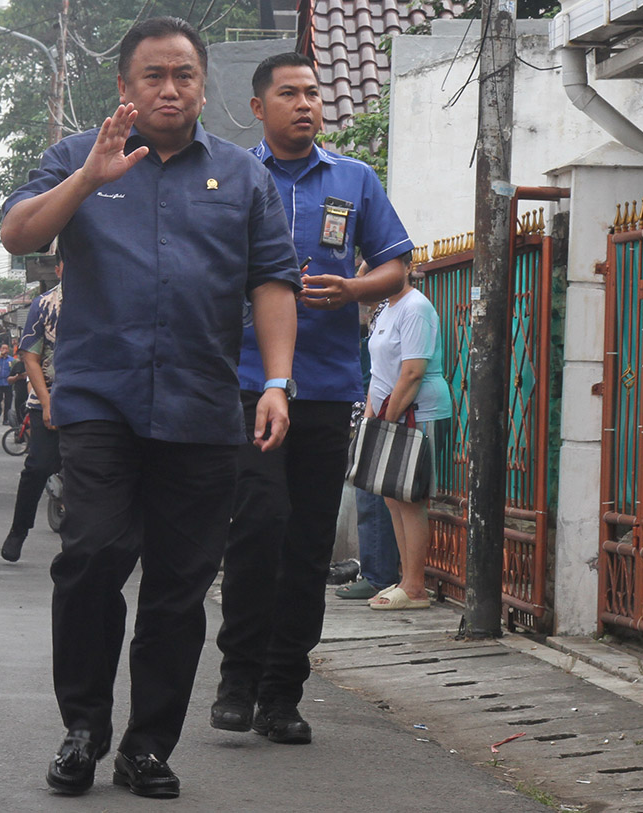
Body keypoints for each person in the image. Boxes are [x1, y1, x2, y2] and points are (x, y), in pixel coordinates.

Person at [1, 16, 301, 800]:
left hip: (203, 410)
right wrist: (87, 181)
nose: (170, 90)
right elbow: (16, 234)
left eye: (184, 76)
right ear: (125, 87)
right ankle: (83, 728)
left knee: (178, 583)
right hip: (100, 401)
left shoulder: (244, 177)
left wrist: (276, 381)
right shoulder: (77, 156)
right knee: (92, 556)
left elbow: (271, 281)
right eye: (153, 77)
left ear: (205, 86)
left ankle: (146, 744)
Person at [210, 51, 414, 745]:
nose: (306, 103)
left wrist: (355, 289)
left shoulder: (353, 179)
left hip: (327, 385)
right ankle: (237, 675)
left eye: (314, 92)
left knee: (306, 544)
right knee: (259, 522)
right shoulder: (230, 175)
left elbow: (397, 262)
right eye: (290, 94)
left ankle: (281, 692)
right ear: (258, 108)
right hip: (242, 383)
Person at [366, 267, 453, 610]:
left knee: (410, 498)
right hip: (393, 412)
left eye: (382, 268)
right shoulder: (386, 308)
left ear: (404, 268)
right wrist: (373, 418)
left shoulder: (415, 307)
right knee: (392, 495)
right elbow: (379, 371)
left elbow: (413, 371)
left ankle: (416, 586)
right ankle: (406, 580)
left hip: (418, 412)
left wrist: (387, 420)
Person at [336, 292, 401, 600]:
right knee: (366, 490)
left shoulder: (403, 311)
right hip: (367, 406)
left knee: (373, 492)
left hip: (379, 408)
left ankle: (378, 575)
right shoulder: (379, 315)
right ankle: (373, 570)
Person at [0, 262, 64, 563]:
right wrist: (48, 402)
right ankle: (18, 530)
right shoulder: (45, 304)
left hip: (96, 401)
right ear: (60, 268)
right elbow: (31, 357)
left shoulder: (110, 300)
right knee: (38, 466)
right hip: (47, 399)